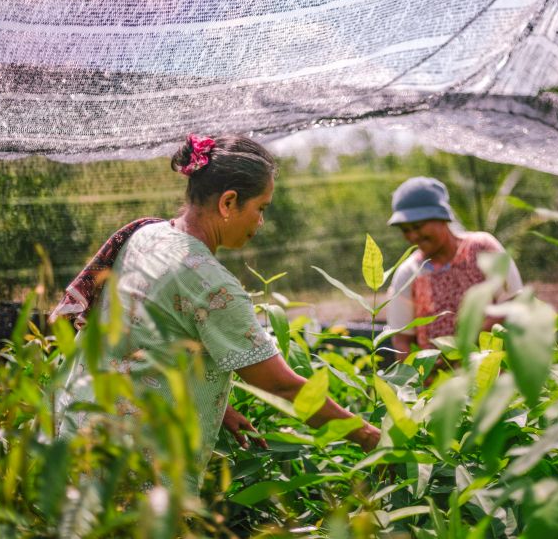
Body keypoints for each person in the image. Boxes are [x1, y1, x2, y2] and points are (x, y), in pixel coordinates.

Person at [51, 134, 379, 490]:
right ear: (229, 202)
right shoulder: (211, 284)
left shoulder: (146, 235)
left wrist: (217, 407)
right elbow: (282, 384)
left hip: (80, 430)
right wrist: (368, 437)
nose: (261, 223)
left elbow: (148, 335)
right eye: (261, 208)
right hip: (132, 470)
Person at [386, 176, 523, 361]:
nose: (413, 236)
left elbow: (514, 301)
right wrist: (412, 382)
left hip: (493, 371)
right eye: (405, 230)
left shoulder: (482, 248)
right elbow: (402, 339)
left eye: (418, 226)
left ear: (442, 217)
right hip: (438, 385)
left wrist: (466, 344)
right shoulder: (409, 273)